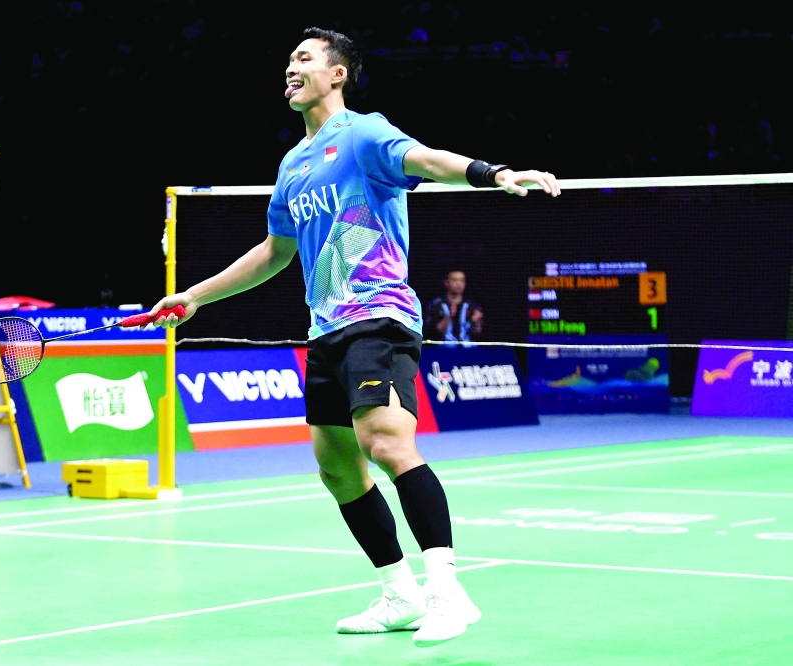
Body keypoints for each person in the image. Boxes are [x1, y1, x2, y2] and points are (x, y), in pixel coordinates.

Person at [150, 27, 560, 648]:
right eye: (288, 59)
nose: (291, 68)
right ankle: (400, 593)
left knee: (387, 443)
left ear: (338, 73)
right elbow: (274, 252)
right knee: (339, 467)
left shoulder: (364, 132)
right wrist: (194, 297)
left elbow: (425, 160)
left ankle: (448, 593)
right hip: (326, 328)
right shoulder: (292, 164)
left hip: (380, 313)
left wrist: (492, 173)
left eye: (305, 59)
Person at [424, 270, 483, 344]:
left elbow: (477, 332)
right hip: (443, 350)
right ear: (446, 282)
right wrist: (450, 316)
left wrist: (476, 322)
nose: (459, 284)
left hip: (468, 350)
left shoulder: (472, 306)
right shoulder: (436, 305)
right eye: (455, 280)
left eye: (461, 281)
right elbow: (433, 332)